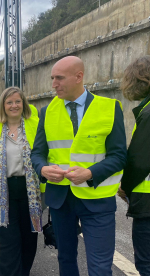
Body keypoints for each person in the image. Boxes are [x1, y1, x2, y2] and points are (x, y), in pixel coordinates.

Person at [31, 56, 127, 276]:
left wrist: (91, 173)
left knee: (100, 267)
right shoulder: (47, 112)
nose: (54, 84)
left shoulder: (110, 108)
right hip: (60, 199)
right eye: (52, 78)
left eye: (59, 78)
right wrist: (43, 169)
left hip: (97, 200)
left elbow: (119, 156)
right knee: (65, 259)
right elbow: (37, 154)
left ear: (79, 77)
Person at [0, 87, 41, 276]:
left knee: (29, 241)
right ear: (3, 106)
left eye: (17, 101)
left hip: (31, 193)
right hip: (2, 193)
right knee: (8, 242)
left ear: (23, 103)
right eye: (9, 102)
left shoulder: (36, 125)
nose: (14, 105)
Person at [118, 56, 150, 276]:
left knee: (146, 263)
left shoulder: (148, 113)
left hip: (148, 204)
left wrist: (124, 186)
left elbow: (139, 160)